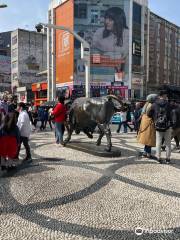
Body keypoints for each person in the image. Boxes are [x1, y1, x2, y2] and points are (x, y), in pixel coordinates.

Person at [148, 90, 172, 164]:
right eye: (166, 95)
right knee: (168, 143)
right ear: (164, 95)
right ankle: (167, 158)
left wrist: (154, 119)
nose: (166, 96)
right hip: (167, 126)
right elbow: (171, 114)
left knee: (158, 142)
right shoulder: (168, 104)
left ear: (159, 96)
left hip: (158, 125)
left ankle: (158, 157)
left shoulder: (154, 104)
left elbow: (149, 113)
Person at [137, 94, 158, 159]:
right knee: (149, 139)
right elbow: (154, 116)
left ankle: (145, 153)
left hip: (144, 122)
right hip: (149, 123)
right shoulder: (152, 105)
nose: (157, 100)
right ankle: (148, 154)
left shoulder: (146, 104)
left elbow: (142, 114)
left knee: (146, 139)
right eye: (156, 98)